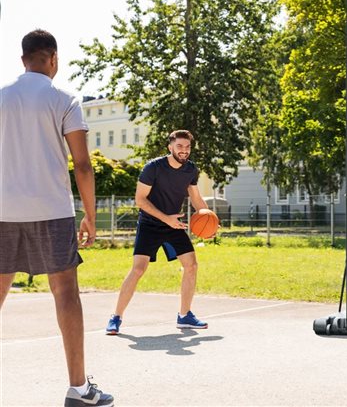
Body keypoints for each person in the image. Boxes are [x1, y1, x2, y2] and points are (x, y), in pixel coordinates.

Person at [0, 29, 113, 407]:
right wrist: (91, 217)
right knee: (65, 293)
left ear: (23, 60)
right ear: (53, 58)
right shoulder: (65, 99)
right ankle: (79, 390)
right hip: (52, 211)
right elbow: (82, 164)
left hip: (2, 211)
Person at [106, 130, 210, 334]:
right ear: (170, 147)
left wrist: (209, 219)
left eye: (187, 147)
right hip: (150, 224)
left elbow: (196, 199)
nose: (184, 151)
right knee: (138, 269)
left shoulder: (190, 170)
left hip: (174, 224)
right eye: (179, 146)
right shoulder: (153, 167)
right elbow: (140, 200)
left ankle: (184, 315)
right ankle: (116, 317)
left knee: (191, 266)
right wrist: (166, 219)